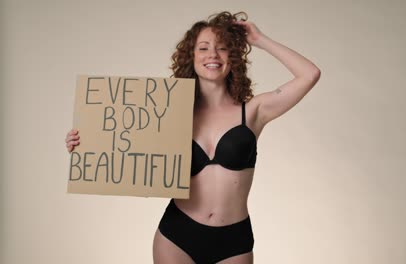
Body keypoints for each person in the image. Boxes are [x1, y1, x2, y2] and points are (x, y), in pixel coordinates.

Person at [65, 11, 320, 264]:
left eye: (222, 48)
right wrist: (85, 142)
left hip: (234, 240)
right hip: (177, 237)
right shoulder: (168, 113)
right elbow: (123, 146)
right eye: (203, 48)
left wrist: (259, 40)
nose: (212, 55)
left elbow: (310, 74)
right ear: (192, 56)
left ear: (232, 57)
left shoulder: (253, 111)